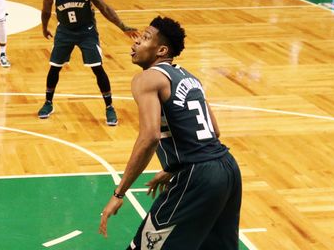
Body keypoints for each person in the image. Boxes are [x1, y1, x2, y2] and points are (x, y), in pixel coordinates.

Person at [99, 16, 242, 249]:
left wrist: (119, 193)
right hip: (228, 169)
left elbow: (150, 137)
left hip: (198, 175)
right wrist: (171, 167)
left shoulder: (147, 79)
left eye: (145, 38)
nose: (135, 42)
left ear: (161, 50)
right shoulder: (190, 77)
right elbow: (213, 131)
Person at [38, 0, 138, 125]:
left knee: (97, 68)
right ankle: (48, 103)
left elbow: (104, 8)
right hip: (65, 31)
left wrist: (123, 26)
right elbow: (45, 12)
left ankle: (109, 107)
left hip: (87, 32)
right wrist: (44, 28)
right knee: (54, 67)